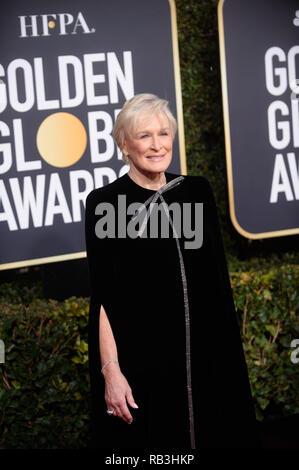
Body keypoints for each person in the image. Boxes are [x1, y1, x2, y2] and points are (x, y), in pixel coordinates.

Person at [84, 93, 260, 449]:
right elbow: (102, 301)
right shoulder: (106, 204)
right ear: (124, 143)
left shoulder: (196, 192)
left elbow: (218, 287)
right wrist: (111, 372)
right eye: (144, 135)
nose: (157, 144)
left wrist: (230, 368)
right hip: (146, 368)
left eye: (163, 134)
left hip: (208, 361)